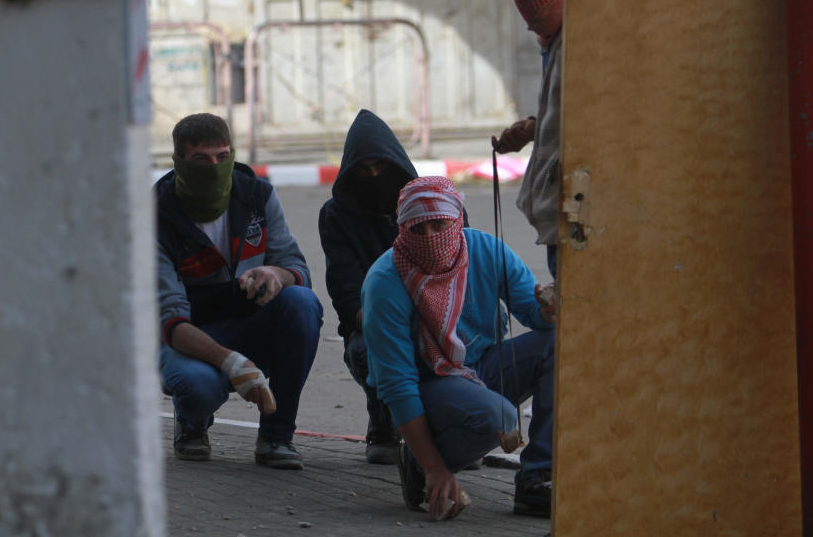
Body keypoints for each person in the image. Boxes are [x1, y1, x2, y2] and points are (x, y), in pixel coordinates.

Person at [362, 177, 556, 519]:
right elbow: (398, 385)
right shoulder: (384, 281)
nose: (429, 237)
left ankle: (537, 476)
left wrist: (550, 310)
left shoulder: (485, 250)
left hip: (479, 366)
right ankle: (422, 465)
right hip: (429, 385)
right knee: (500, 418)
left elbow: (533, 312)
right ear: (402, 228)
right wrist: (436, 466)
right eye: (417, 228)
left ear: (458, 221)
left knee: (558, 343)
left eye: (439, 224)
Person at [156, 113, 323, 470]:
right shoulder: (154, 217)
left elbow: (299, 270)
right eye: (201, 159)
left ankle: (277, 437)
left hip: (250, 322)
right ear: (179, 163)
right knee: (196, 385)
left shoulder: (256, 196)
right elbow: (169, 320)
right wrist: (234, 363)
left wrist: (276, 274)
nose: (214, 166)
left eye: (222, 156)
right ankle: (192, 423)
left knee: (302, 303)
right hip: (191, 336)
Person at [318, 109, 419, 464]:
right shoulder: (337, 217)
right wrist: (398, 331)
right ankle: (384, 423)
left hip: (439, 317)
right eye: (364, 171)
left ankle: (456, 425)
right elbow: (347, 295)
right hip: (375, 325)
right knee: (370, 350)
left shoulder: (433, 206)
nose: (375, 178)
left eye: (382, 168)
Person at [492, 0, 565, 278]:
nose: (533, 0)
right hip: (559, 213)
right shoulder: (553, 42)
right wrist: (535, 128)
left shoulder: (586, 41)